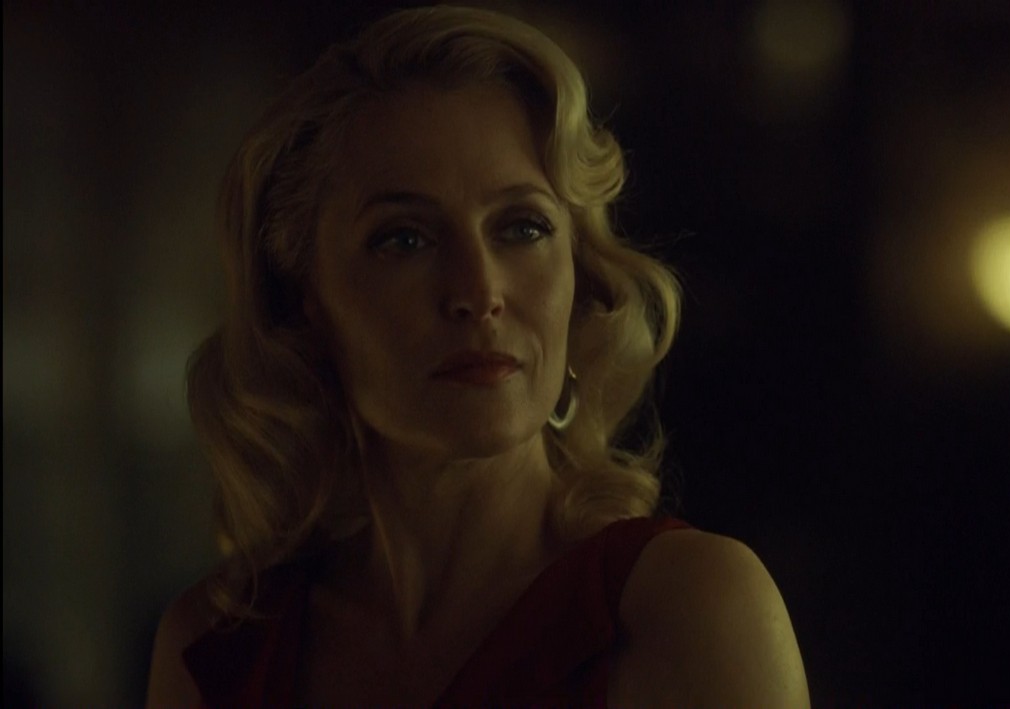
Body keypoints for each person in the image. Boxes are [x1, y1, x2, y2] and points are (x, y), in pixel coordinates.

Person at [145, 5, 809, 707]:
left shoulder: (683, 609)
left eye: (522, 227)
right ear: (304, 297)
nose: (478, 292)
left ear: (580, 273)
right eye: (404, 239)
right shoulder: (218, 645)